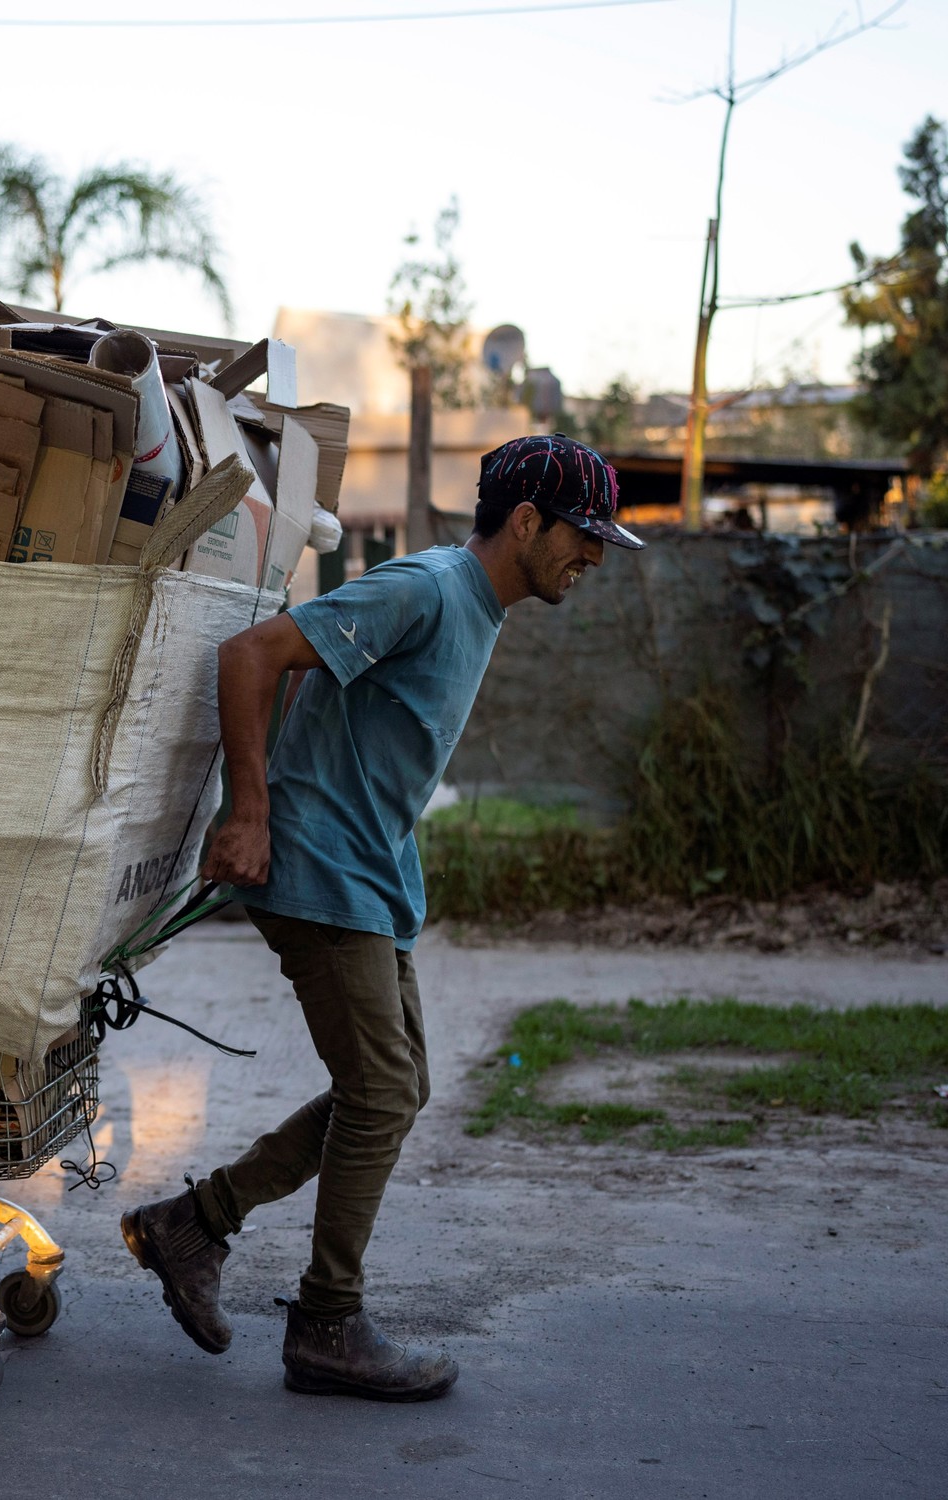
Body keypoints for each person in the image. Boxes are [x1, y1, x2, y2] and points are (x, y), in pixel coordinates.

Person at [122, 434, 643, 1402]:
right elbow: (253, 652)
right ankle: (325, 1322)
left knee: (393, 1091)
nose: (594, 557)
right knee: (378, 1091)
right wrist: (249, 811)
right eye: (583, 535)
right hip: (318, 868)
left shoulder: (475, 605)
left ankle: (194, 1224)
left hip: (370, 877)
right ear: (524, 522)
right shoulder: (426, 587)